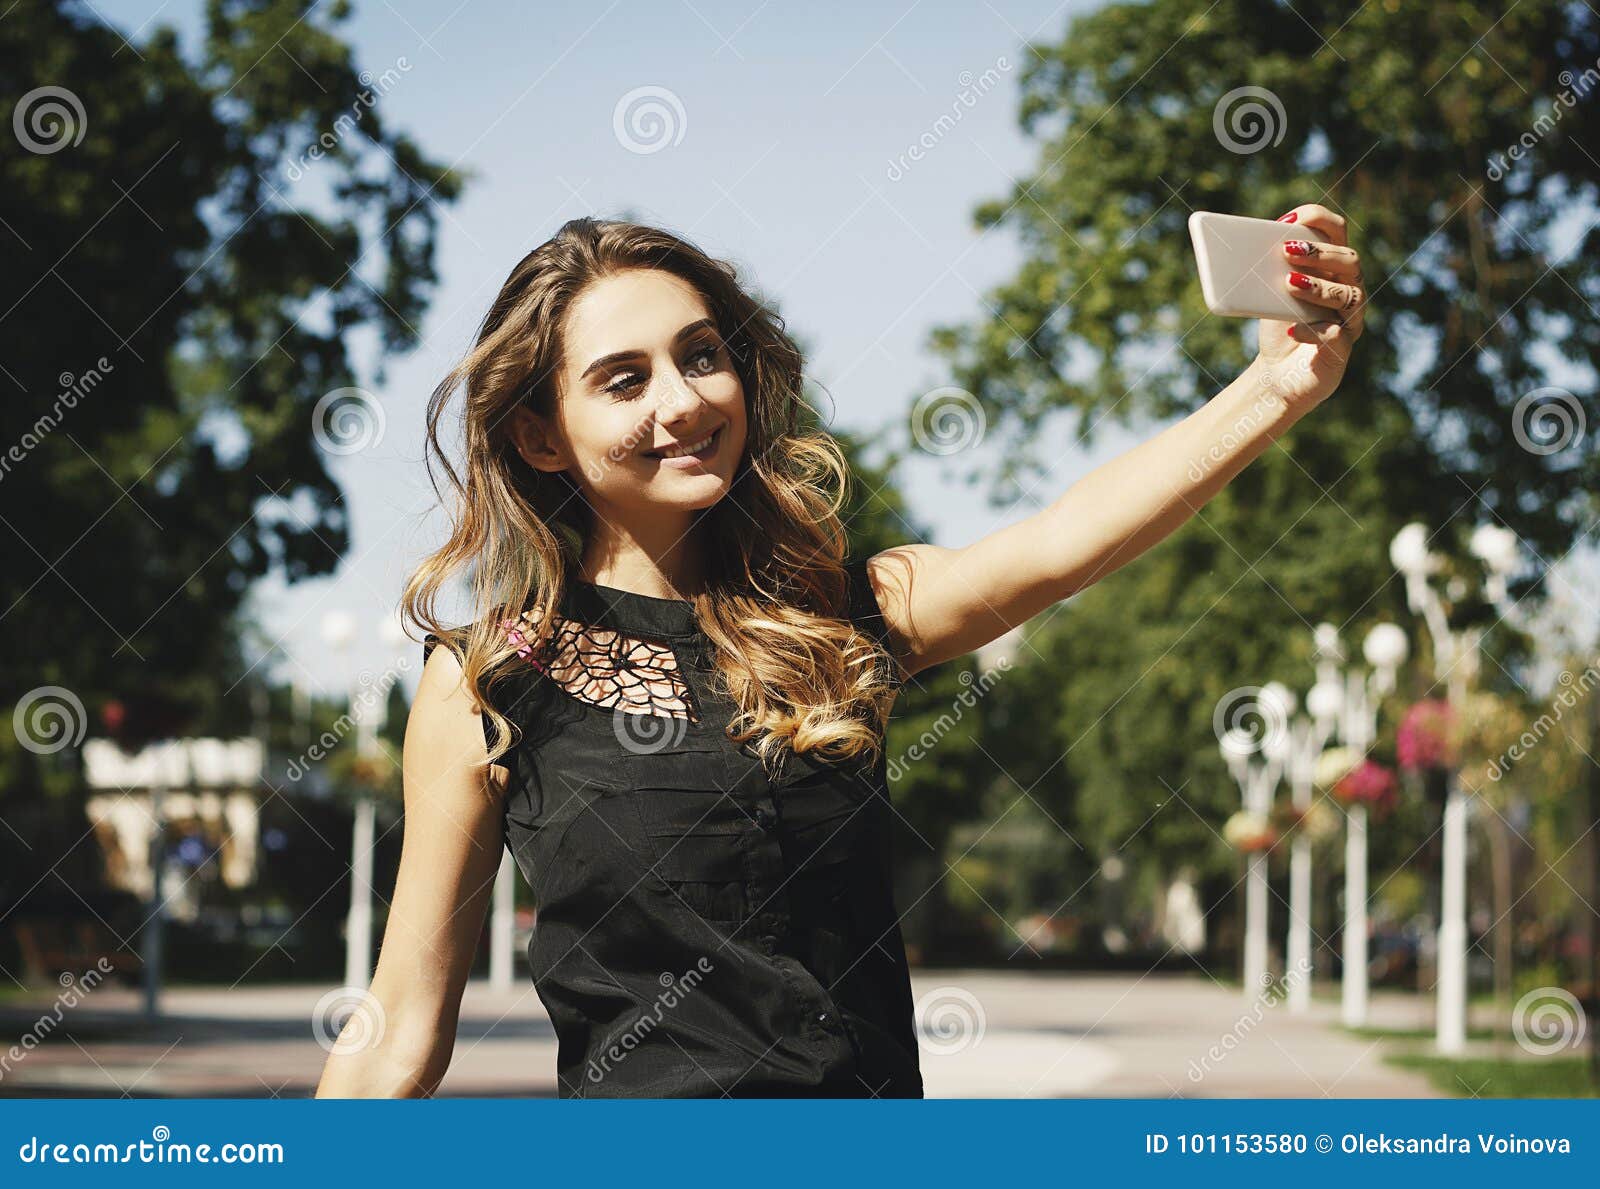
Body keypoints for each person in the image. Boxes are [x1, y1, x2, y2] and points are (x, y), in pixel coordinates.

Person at [314, 207, 1365, 1098]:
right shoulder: (493, 678)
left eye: (700, 355)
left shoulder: (848, 613)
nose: (681, 401)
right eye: (622, 379)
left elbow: (1060, 541)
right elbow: (401, 1017)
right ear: (543, 437)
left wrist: (1277, 387)